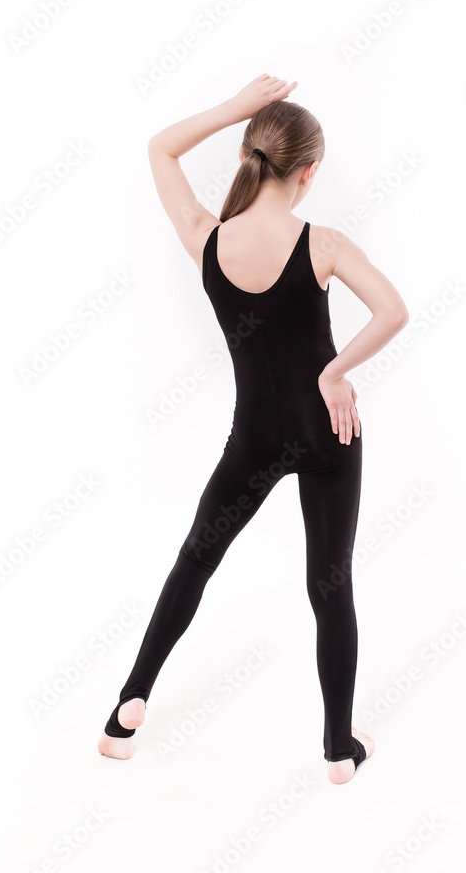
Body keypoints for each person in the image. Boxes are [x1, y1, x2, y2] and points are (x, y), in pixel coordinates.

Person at [97, 74, 409, 784]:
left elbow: (159, 148)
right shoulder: (324, 243)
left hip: (255, 437)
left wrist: (237, 107)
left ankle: (127, 709)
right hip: (329, 431)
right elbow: (392, 311)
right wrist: (334, 373)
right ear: (309, 172)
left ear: (246, 154)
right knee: (330, 585)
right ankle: (339, 749)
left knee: (196, 559)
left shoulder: (206, 239)